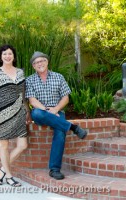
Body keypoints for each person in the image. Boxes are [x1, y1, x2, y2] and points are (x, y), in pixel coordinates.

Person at [25, 51, 87, 180]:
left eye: (42, 61)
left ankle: (54, 169)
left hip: (58, 112)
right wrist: (47, 110)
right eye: (36, 62)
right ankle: (73, 128)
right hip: (40, 112)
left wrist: (56, 109)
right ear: (33, 66)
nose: (39, 64)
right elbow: (32, 101)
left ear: (47, 62)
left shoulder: (58, 77)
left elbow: (66, 98)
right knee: (36, 113)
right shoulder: (29, 80)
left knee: (60, 132)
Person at [0, 44, 31, 187]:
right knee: (4, 146)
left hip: (19, 113)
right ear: (1, 57)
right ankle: (9, 176)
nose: (7, 56)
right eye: (4, 54)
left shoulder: (20, 72)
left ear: (14, 56)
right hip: (2, 113)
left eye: (10, 54)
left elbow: (22, 94)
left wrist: (27, 110)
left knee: (23, 145)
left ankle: (2, 170)